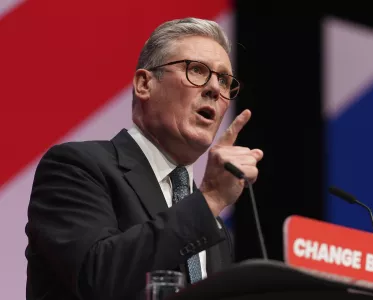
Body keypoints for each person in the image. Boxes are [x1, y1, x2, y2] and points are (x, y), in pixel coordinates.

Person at [25, 17, 263, 300]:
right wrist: (210, 198)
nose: (214, 88)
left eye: (224, 80)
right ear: (144, 84)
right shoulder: (77, 167)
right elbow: (97, 277)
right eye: (197, 70)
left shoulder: (215, 230)